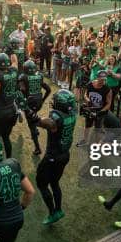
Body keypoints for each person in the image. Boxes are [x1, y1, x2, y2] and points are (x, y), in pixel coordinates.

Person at [33, 89, 77, 225]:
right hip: (64, 155)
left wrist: (33, 116)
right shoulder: (72, 114)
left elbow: (46, 124)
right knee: (54, 183)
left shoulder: (57, 118)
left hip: (53, 157)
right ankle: (58, 209)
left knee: (41, 183)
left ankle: (53, 213)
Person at [18, 60, 51, 155]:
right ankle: (35, 125)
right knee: (33, 116)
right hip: (38, 103)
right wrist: (43, 100)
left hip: (29, 104)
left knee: (31, 125)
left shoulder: (23, 77)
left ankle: (38, 148)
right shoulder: (39, 76)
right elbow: (48, 89)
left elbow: (21, 91)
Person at [76, 70, 112, 147]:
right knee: (87, 125)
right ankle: (85, 140)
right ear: (97, 77)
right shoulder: (90, 84)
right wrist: (87, 100)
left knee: (97, 128)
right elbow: (85, 94)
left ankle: (96, 144)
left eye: (104, 79)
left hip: (100, 111)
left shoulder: (107, 89)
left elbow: (109, 103)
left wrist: (101, 111)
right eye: (101, 79)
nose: (102, 81)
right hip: (90, 108)